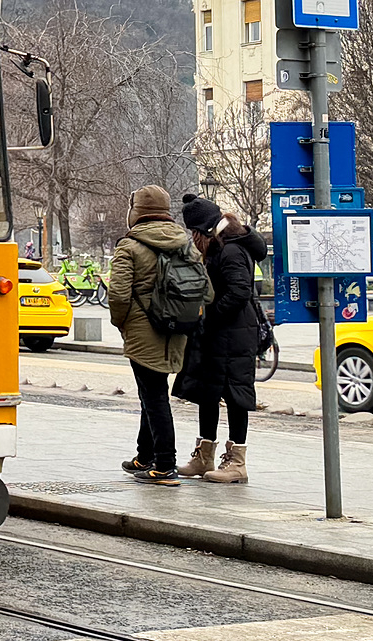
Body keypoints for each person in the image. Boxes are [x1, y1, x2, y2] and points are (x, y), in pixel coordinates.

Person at [109, 185, 206, 485]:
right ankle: (145, 454)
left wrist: (122, 323)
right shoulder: (185, 243)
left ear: (136, 211)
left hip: (142, 329)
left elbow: (118, 295)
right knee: (151, 391)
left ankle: (164, 465)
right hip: (178, 328)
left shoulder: (130, 246)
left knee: (154, 395)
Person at [173, 195, 268, 484]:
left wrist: (209, 317)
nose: (193, 239)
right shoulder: (221, 248)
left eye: (195, 233)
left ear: (204, 231)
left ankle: (237, 463)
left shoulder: (231, 252)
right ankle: (204, 456)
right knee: (208, 393)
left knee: (236, 395)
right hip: (222, 334)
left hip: (234, 335)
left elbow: (239, 292)